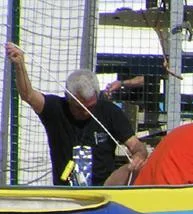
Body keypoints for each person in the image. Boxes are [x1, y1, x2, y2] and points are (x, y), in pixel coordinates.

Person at [5, 42, 148, 186]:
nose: (85, 112)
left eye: (90, 107)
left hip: (105, 187)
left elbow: (136, 145)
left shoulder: (110, 111)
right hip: (67, 189)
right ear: (69, 99)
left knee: (136, 169)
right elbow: (28, 95)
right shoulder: (55, 108)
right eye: (79, 107)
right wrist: (19, 65)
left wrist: (139, 155)